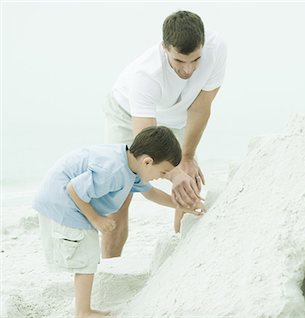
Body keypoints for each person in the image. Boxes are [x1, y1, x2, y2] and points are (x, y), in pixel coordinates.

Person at [32, 126, 204, 318]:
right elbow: (74, 189)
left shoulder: (132, 167)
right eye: (163, 172)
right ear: (148, 161)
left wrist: (181, 205)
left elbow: (151, 194)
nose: (161, 178)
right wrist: (96, 219)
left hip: (69, 201)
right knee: (85, 258)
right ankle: (83, 312)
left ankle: (83, 309)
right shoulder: (113, 170)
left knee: (87, 257)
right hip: (63, 202)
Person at [103, 10, 227, 258]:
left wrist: (187, 159)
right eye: (180, 61)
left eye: (195, 60)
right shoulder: (145, 76)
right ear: (165, 48)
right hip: (129, 115)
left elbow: (201, 108)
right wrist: (172, 173)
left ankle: (185, 254)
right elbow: (146, 144)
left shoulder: (216, 49)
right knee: (119, 196)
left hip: (177, 116)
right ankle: (110, 268)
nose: (188, 70)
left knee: (189, 181)